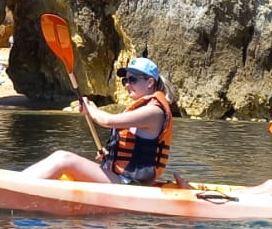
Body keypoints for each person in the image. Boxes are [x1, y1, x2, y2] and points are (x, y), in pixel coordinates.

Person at [22, 56, 174, 185]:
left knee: (64, 159)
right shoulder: (145, 109)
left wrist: (90, 108)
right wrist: (111, 155)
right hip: (122, 179)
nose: (127, 84)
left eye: (133, 80)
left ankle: (19, 185)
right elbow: (137, 151)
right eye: (125, 80)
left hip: (129, 184)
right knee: (64, 162)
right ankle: (20, 182)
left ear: (150, 82)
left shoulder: (154, 112)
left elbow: (107, 120)